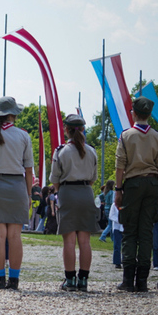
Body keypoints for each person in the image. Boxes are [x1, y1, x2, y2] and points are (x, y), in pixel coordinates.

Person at [0, 96, 34, 290]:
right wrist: (28, 194)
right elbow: (29, 169)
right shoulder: (23, 136)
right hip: (18, 185)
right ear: (13, 115)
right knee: (15, 236)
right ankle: (14, 280)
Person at [114, 97, 158, 292]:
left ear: (133, 113)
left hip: (133, 183)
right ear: (150, 114)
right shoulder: (157, 137)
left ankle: (128, 280)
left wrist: (119, 189)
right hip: (152, 183)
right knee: (146, 232)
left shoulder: (126, 135)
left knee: (129, 230)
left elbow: (120, 165)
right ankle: (142, 280)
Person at [49, 115, 102, 292]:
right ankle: (84, 279)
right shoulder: (92, 151)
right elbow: (94, 178)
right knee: (85, 241)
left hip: (67, 192)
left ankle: (70, 280)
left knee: (69, 241)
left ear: (66, 129)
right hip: (86, 191)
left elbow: (54, 178)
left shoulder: (61, 151)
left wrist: (59, 192)